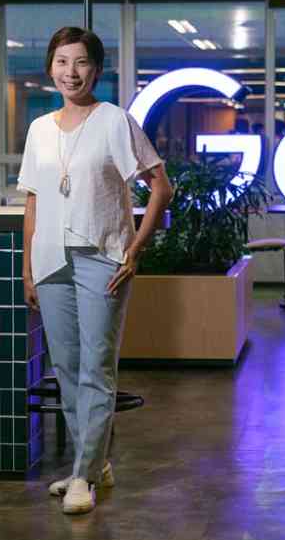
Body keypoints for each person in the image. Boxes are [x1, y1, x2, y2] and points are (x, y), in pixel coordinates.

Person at [18, 27, 172, 515]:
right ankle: (93, 463)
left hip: (102, 257)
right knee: (66, 369)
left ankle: (83, 474)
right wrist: (27, 267)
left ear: (97, 70)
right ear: (50, 68)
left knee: (96, 368)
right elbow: (33, 201)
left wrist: (136, 247)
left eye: (81, 62)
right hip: (50, 260)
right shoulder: (39, 129)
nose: (71, 72)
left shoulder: (114, 121)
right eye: (62, 61)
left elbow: (161, 186)